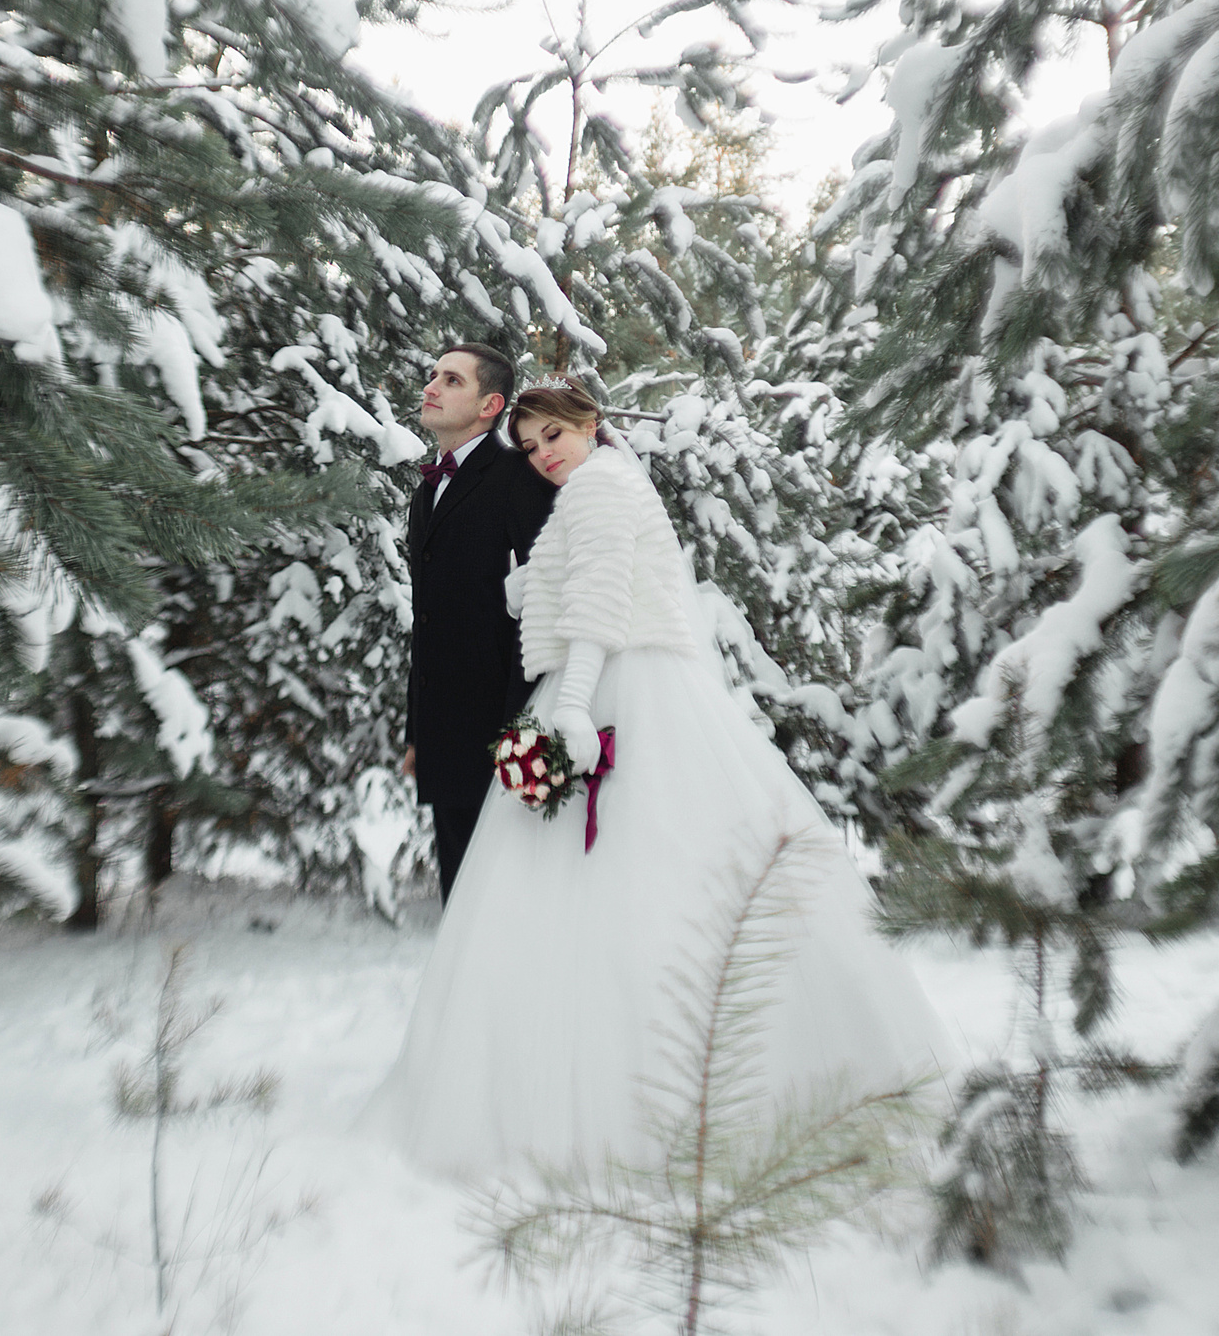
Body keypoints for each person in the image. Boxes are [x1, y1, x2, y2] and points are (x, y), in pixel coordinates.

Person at [363, 382, 950, 1176]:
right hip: (608, 676)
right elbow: (559, 583)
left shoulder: (601, 484)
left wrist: (572, 708)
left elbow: (602, 604)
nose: (545, 453)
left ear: (590, 425)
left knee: (631, 871)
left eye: (556, 435)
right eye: (532, 444)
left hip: (615, 682)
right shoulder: (591, 493)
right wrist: (521, 583)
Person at [402, 342, 556, 900]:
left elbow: (543, 604)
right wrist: (416, 730)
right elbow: (431, 619)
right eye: (433, 375)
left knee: (503, 907)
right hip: (443, 737)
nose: (431, 387)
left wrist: (522, 731)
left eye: (451, 380)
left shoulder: (519, 477)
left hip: (503, 737)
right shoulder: (427, 490)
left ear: (491, 405)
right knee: (458, 903)